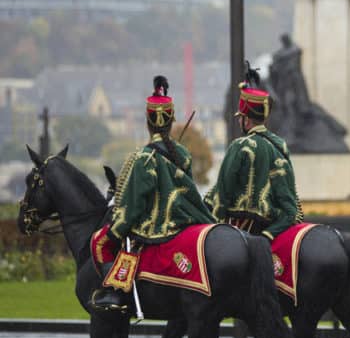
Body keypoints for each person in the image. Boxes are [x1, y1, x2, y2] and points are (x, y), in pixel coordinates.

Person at [90, 76, 215, 310]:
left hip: (155, 228)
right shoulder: (183, 154)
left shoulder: (143, 158)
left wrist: (118, 229)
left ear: (148, 122)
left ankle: (115, 292)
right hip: (184, 221)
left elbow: (134, 207)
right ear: (171, 121)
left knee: (101, 240)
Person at [205, 65, 303, 240]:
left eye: (240, 118)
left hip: (241, 227)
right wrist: (270, 233)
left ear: (246, 120)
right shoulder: (281, 145)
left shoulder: (240, 146)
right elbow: (290, 203)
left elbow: (222, 194)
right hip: (274, 225)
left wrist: (210, 225)